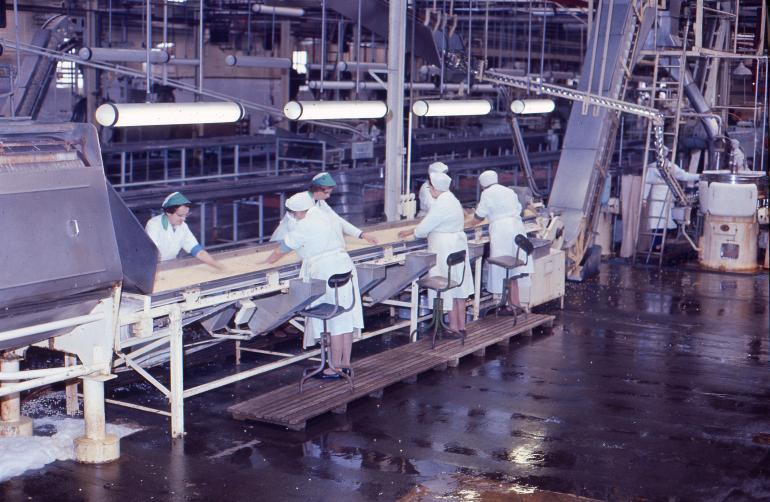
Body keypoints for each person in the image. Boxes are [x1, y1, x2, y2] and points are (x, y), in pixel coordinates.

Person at [264, 192, 363, 378]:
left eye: (294, 213)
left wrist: (265, 263)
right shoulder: (324, 216)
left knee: (333, 322)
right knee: (345, 319)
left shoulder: (305, 224)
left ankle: (333, 369)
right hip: (344, 267)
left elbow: (283, 248)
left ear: (300, 211)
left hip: (326, 272)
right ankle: (345, 364)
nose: (294, 216)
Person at [398, 171, 474, 334]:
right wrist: (411, 230)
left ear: (435, 188)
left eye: (431, 187)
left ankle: (452, 327)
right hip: (456, 246)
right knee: (458, 288)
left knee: (448, 288)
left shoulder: (441, 203)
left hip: (444, 248)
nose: (430, 190)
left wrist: (413, 235)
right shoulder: (451, 199)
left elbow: (426, 227)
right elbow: (433, 221)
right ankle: (461, 326)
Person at [469, 170, 534, 311]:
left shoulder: (487, 193)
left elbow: (479, 216)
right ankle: (514, 305)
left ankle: (511, 305)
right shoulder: (509, 191)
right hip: (516, 227)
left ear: (483, 185)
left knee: (505, 268)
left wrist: (467, 225)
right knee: (513, 271)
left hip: (502, 232)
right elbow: (518, 208)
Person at [271, 172, 378, 247]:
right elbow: (298, 227)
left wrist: (362, 235)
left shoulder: (320, 203)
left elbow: (338, 220)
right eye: (326, 193)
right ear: (316, 190)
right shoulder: (300, 200)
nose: (328, 196)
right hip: (280, 243)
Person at [145, 192, 223, 270]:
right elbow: (152, 253)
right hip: (151, 268)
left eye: (186, 215)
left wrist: (219, 266)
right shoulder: (154, 225)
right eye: (180, 215)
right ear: (168, 212)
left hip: (170, 267)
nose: (184, 219)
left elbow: (198, 251)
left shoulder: (183, 226)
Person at [643, 149, 700, 241]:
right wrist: (644, 198)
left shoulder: (672, 167)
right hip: (657, 197)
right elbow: (647, 183)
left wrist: (699, 176)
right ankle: (656, 245)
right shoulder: (652, 168)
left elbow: (684, 176)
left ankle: (662, 244)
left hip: (668, 197)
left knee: (666, 222)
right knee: (656, 223)